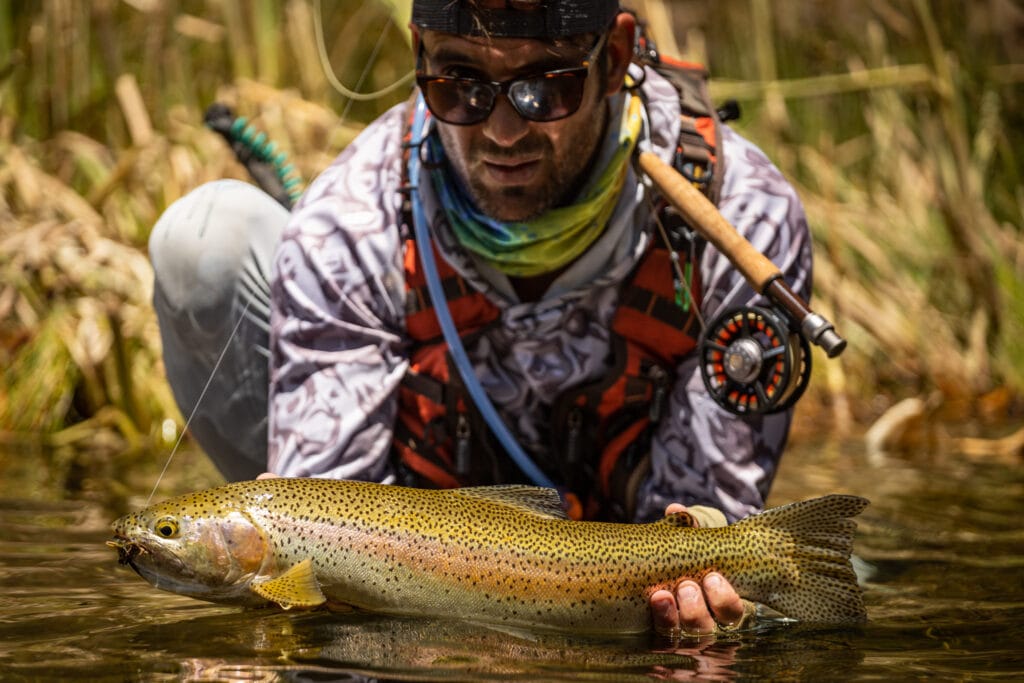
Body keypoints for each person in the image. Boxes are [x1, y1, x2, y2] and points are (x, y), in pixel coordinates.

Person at [149, 0, 812, 638]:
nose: (501, 130)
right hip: (412, 559)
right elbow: (330, 536)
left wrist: (708, 580)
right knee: (204, 241)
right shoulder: (348, 223)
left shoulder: (741, 214)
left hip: (612, 568)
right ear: (419, 55)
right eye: (459, 83)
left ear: (612, 58)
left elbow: (704, 520)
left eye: (545, 87)